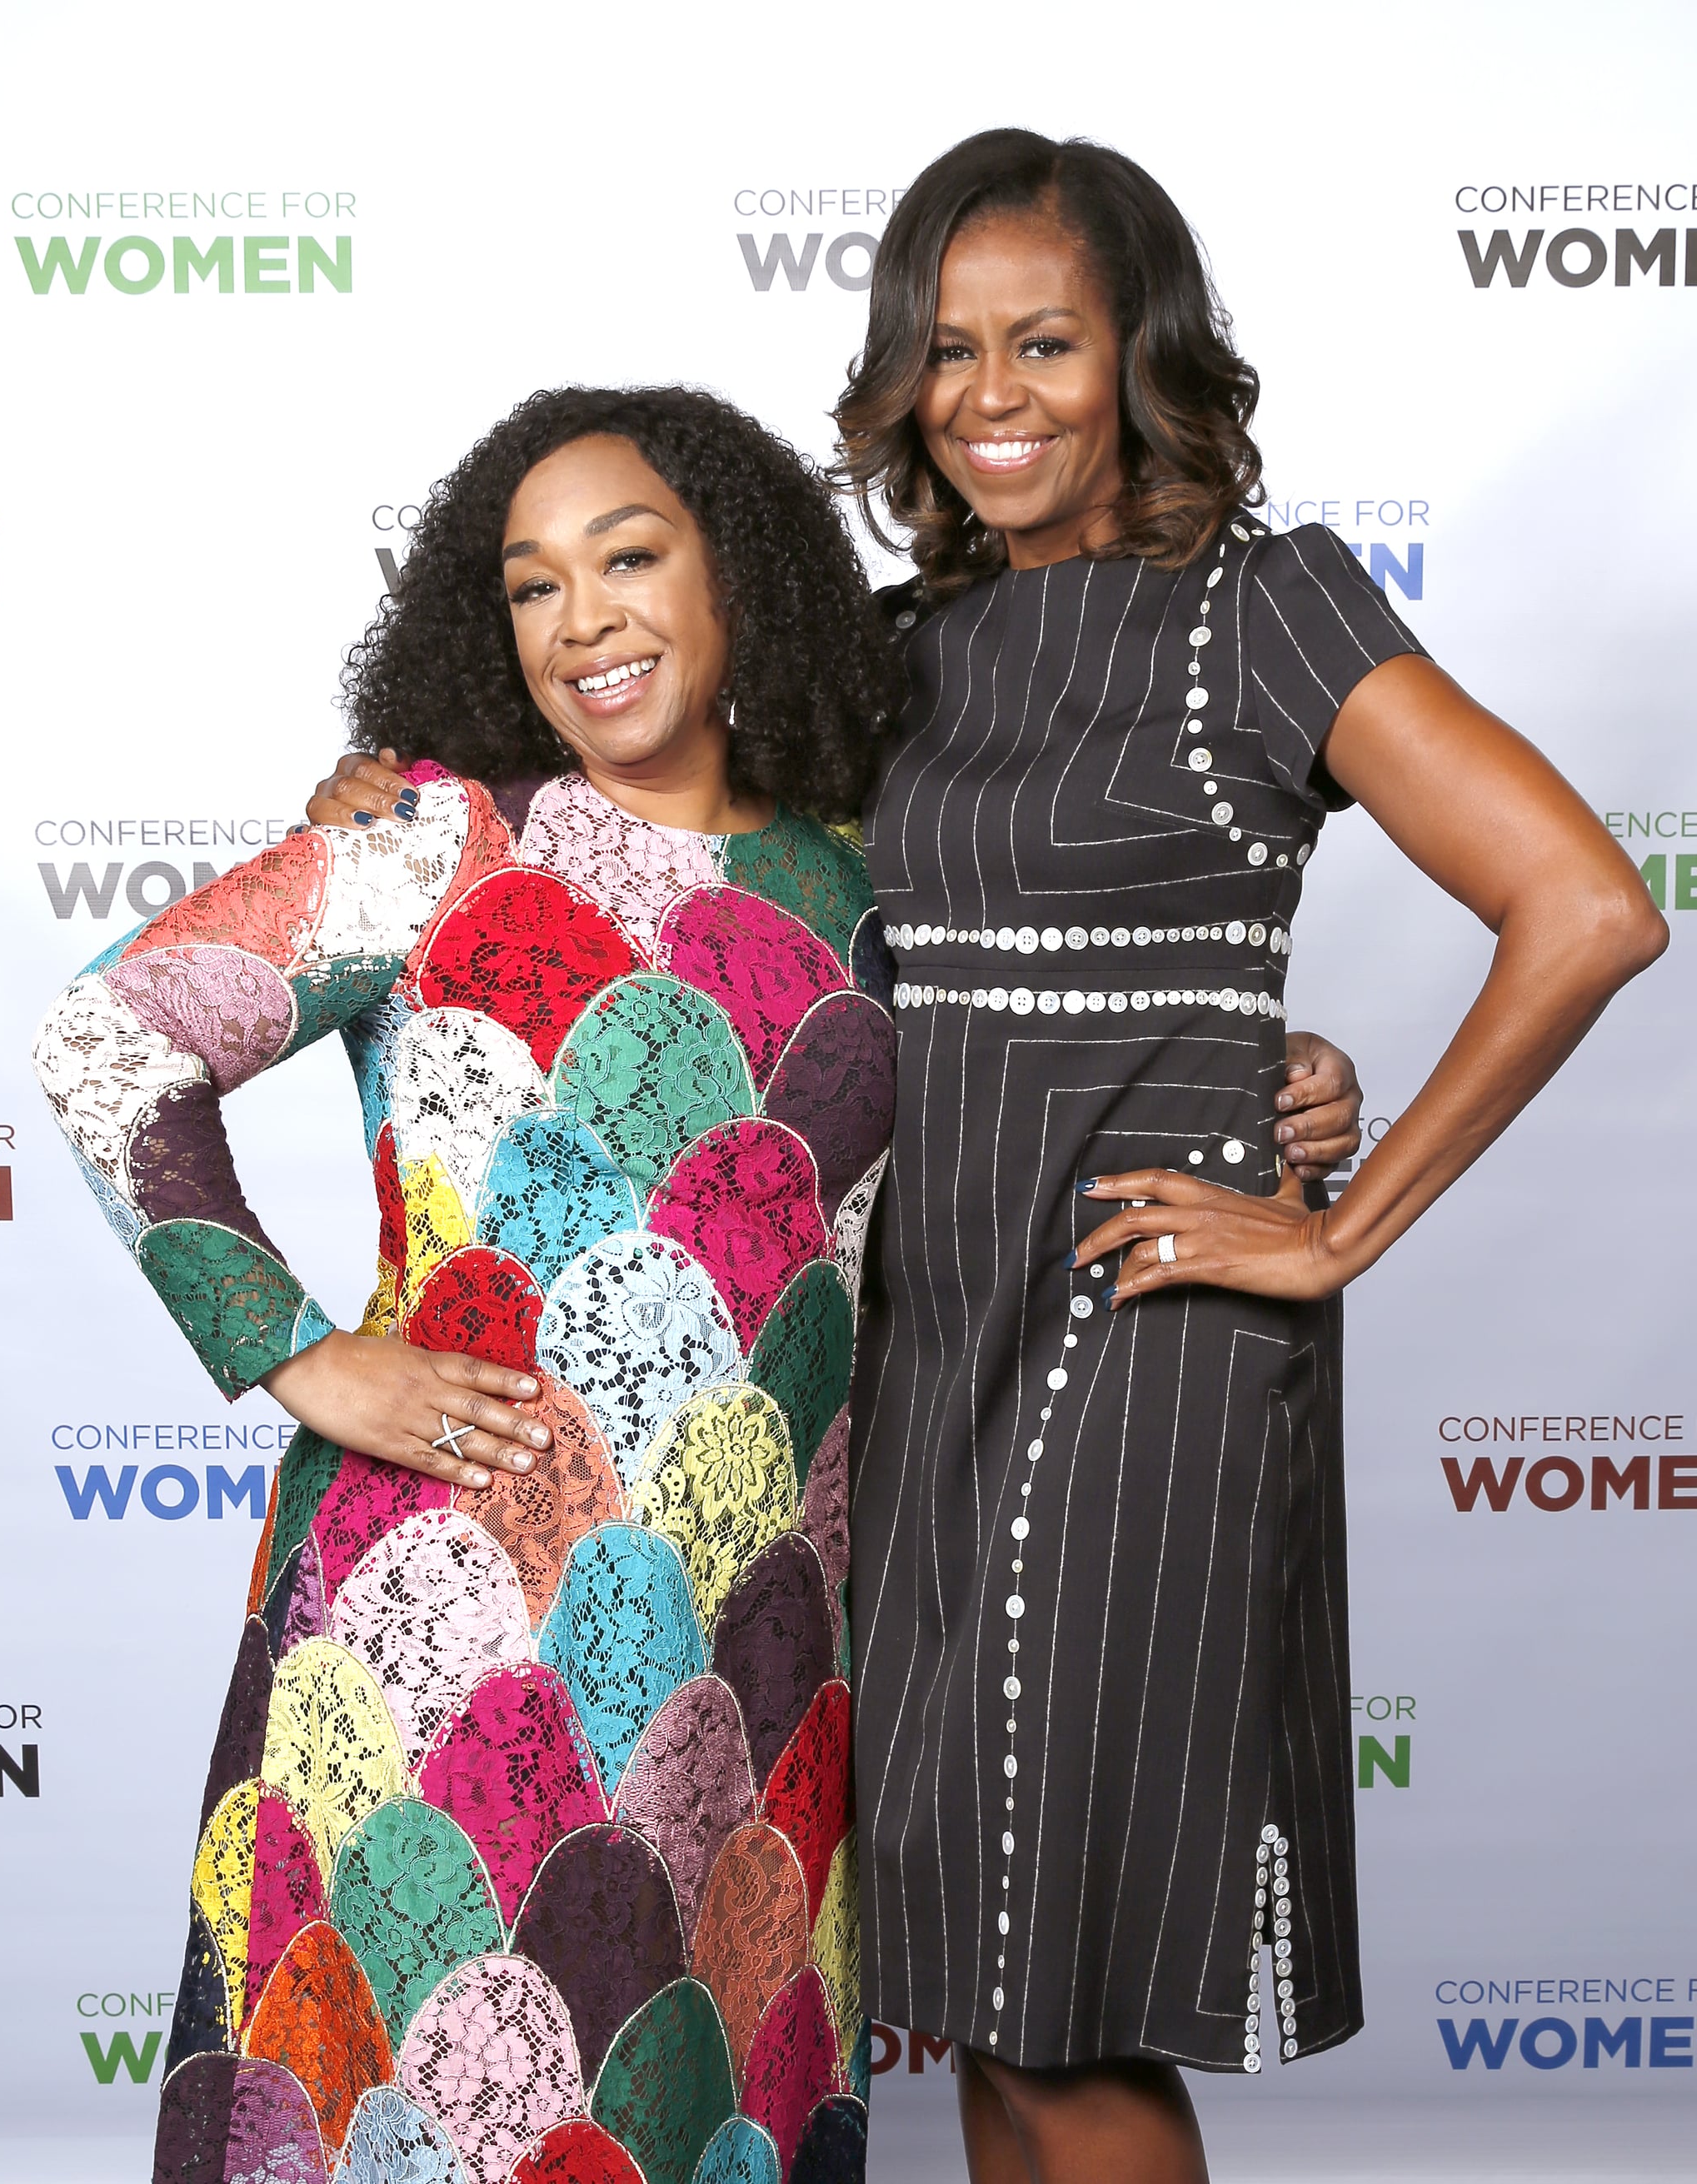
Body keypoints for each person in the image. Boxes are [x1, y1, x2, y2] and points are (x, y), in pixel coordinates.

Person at [823, 129, 1666, 2184]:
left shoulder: (1260, 606)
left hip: (1141, 1336)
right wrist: (382, 779)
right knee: (978, 1981)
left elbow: (1584, 905)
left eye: (1046, 342)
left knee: (1076, 1982)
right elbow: (674, 836)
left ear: (1142, 355)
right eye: (949, 351)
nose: (994, 395)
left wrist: (1333, 1234)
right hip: (924, 1341)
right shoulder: (889, 649)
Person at [34, 386, 901, 2184]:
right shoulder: (432, 842)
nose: (581, 618)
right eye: (531, 585)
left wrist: (1285, 1092)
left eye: (630, 558)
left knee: (698, 2114)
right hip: (453, 1642)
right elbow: (114, 1037)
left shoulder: (868, 871)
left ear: (743, 576)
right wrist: (291, 1351)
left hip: (767, 1650)